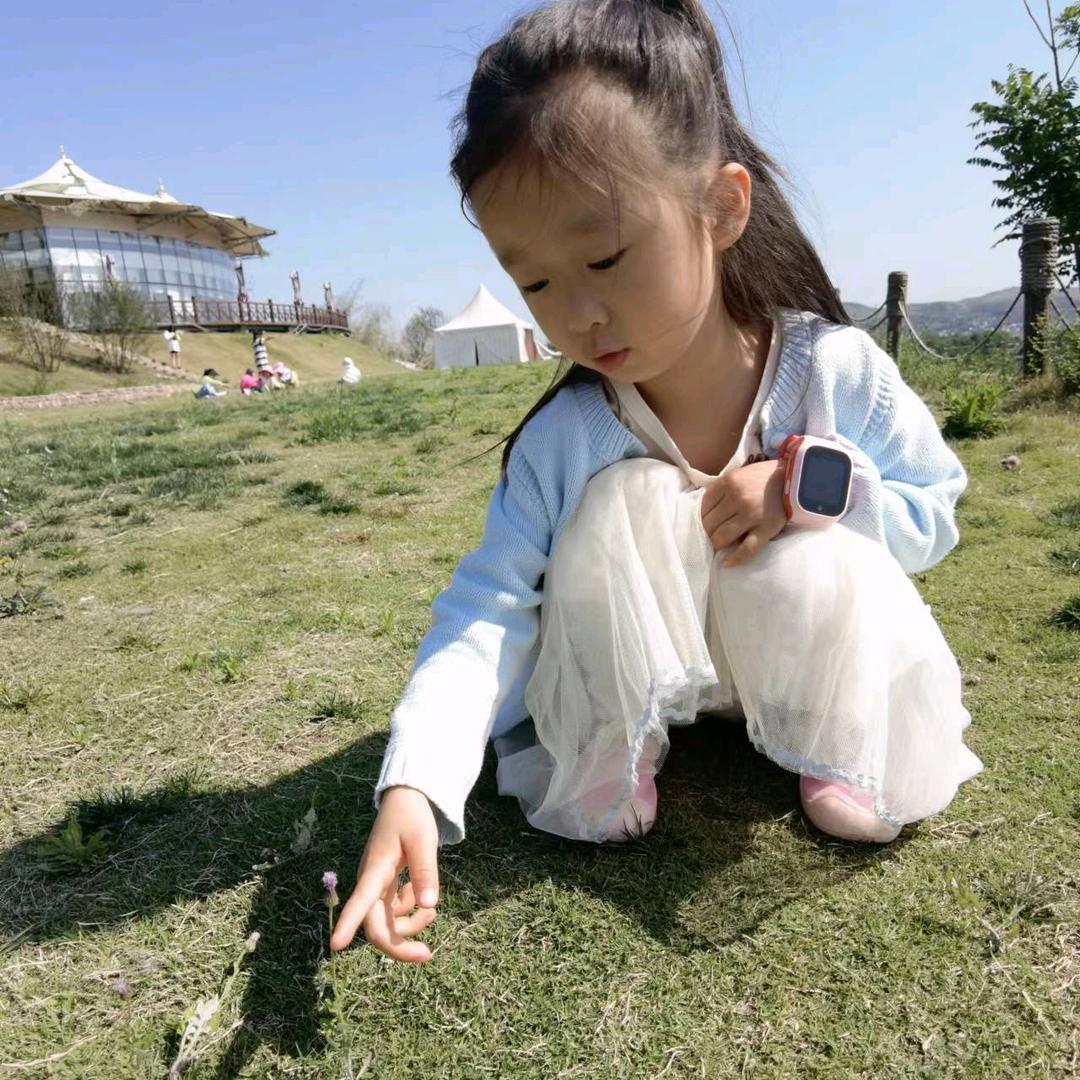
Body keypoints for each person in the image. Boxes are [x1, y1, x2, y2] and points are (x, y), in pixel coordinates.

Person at [330, 0, 982, 964]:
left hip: (798, 668)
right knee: (622, 499)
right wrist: (416, 783)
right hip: (639, 689)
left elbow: (935, 513)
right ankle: (611, 743)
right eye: (535, 283)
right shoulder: (570, 435)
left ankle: (840, 740)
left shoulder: (834, 371)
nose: (578, 314)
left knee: (813, 520)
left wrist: (802, 493)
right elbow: (491, 607)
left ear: (721, 208)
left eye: (604, 257)